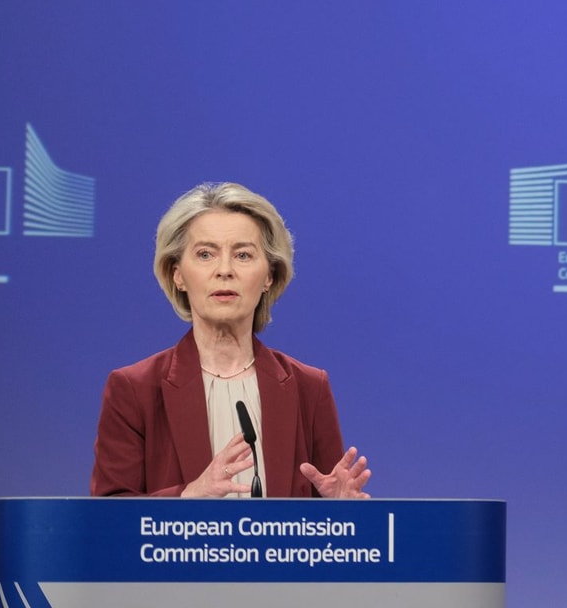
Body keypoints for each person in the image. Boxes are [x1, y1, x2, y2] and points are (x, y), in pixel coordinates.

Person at [92, 182, 371, 498]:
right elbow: (109, 519)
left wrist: (338, 512)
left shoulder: (309, 387)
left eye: (242, 254)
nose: (224, 270)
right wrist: (187, 498)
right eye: (205, 254)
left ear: (269, 276)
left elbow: (327, 527)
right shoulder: (134, 390)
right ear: (177, 274)